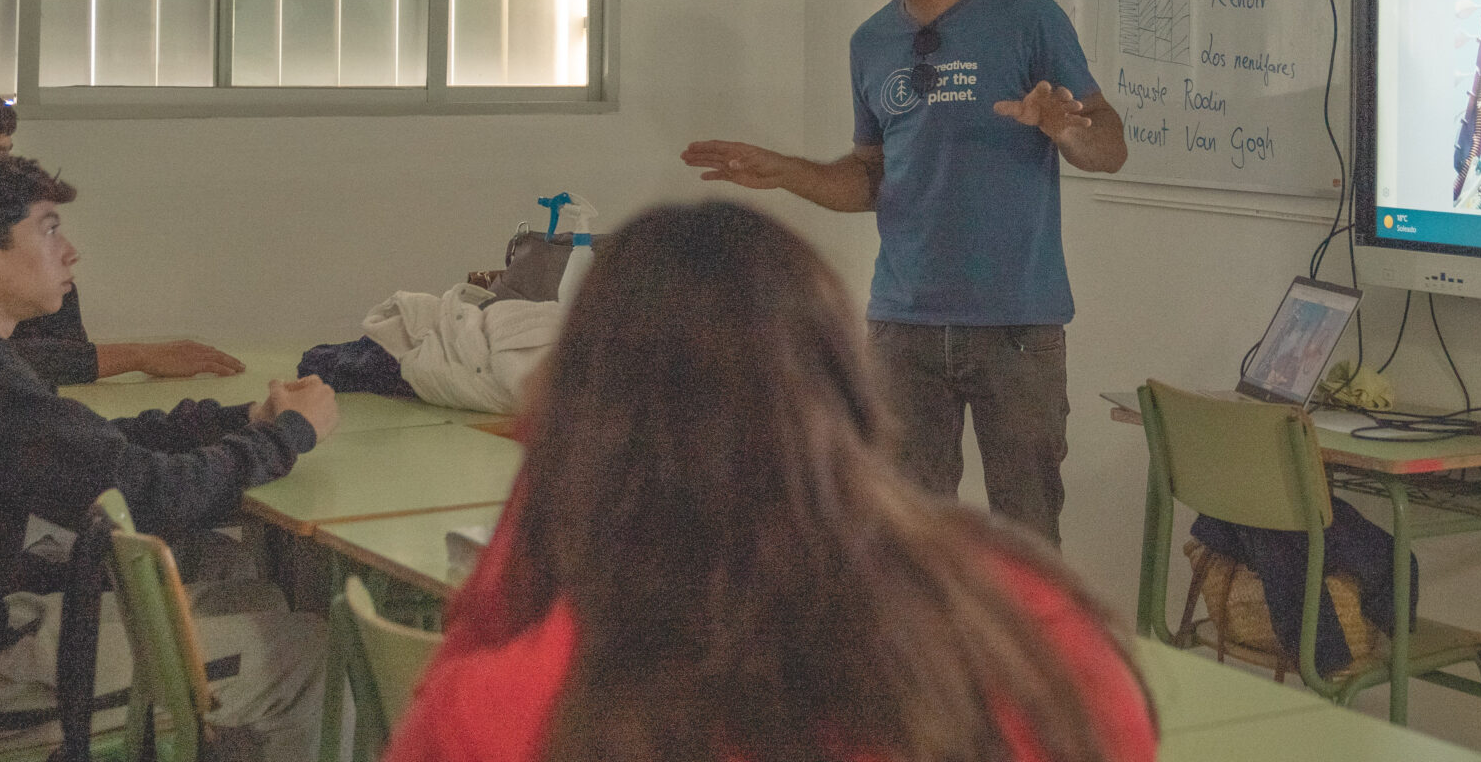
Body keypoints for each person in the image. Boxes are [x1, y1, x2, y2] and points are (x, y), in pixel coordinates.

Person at [385, 201, 1155, 762]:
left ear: (583, 419)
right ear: (849, 388)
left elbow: (471, 658)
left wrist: (547, 480)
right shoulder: (1036, 634)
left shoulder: (516, 709)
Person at [0, 151, 336, 760]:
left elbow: (81, 444)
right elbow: (150, 498)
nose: (70, 253)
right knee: (307, 654)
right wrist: (288, 435)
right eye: (49, 230)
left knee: (242, 586)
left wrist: (239, 420)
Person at [682, 0, 1125, 545]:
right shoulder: (872, 43)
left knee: (1027, 539)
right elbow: (872, 178)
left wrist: (1067, 130)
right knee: (901, 539)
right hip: (902, 327)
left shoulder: (1026, 18)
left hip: (1016, 326)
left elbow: (1111, 148)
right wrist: (785, 171)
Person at [0, 79, 245, 385]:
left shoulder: (24, 247)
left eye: (7, 154)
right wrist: (135, 356)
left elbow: (64, 353)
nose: (5, 171)